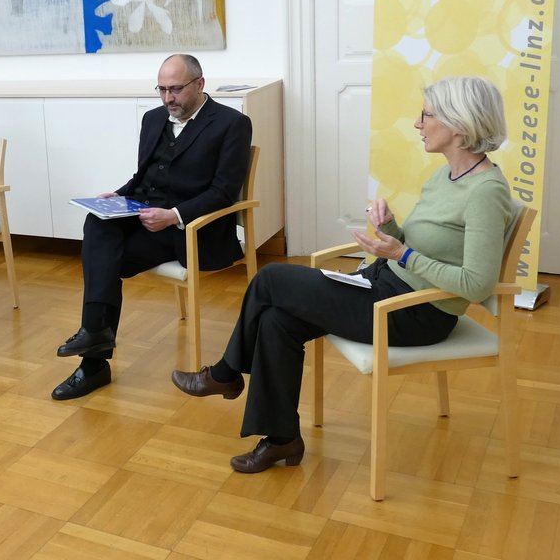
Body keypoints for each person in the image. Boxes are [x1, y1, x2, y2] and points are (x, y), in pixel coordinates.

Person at [171, 76, 516, 473]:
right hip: (386, 286)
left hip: (417, 315)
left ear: (458, 123)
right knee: (275, 319)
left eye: (426, 115)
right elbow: (430, 248)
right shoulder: (445, 175)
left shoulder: (486, 192)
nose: (418, 123)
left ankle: (225, 376)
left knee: (270, 279)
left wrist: (402, 254)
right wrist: (391, 232)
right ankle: (282, 440)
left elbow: (477, 283)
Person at [52, 53, 253, 400]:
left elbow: (224, 193)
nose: (167, 98)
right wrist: (117, 196)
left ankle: (93, 362)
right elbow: (144, 175)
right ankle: (96, 336)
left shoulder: (231, 123)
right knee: (96, 221)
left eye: (175, 89)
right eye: (161, 89)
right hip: (144, 215)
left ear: (200, 84)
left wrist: (173, 215)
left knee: (104, 260)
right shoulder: (152, 119)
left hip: (188, 229)